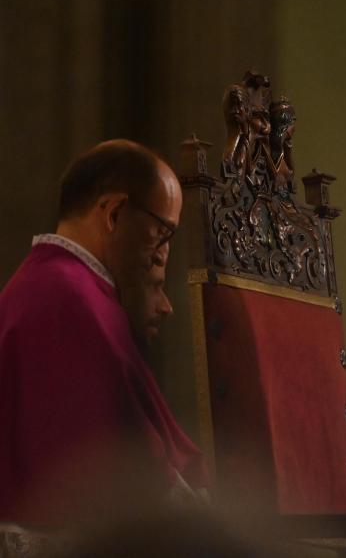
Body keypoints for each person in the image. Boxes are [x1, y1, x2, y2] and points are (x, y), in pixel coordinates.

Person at [0, 140, 205, 523]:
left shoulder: (50, 283)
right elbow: (121, 468)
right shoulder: (72, 301)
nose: (164, 255)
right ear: (113, 213)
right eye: (163, 233)